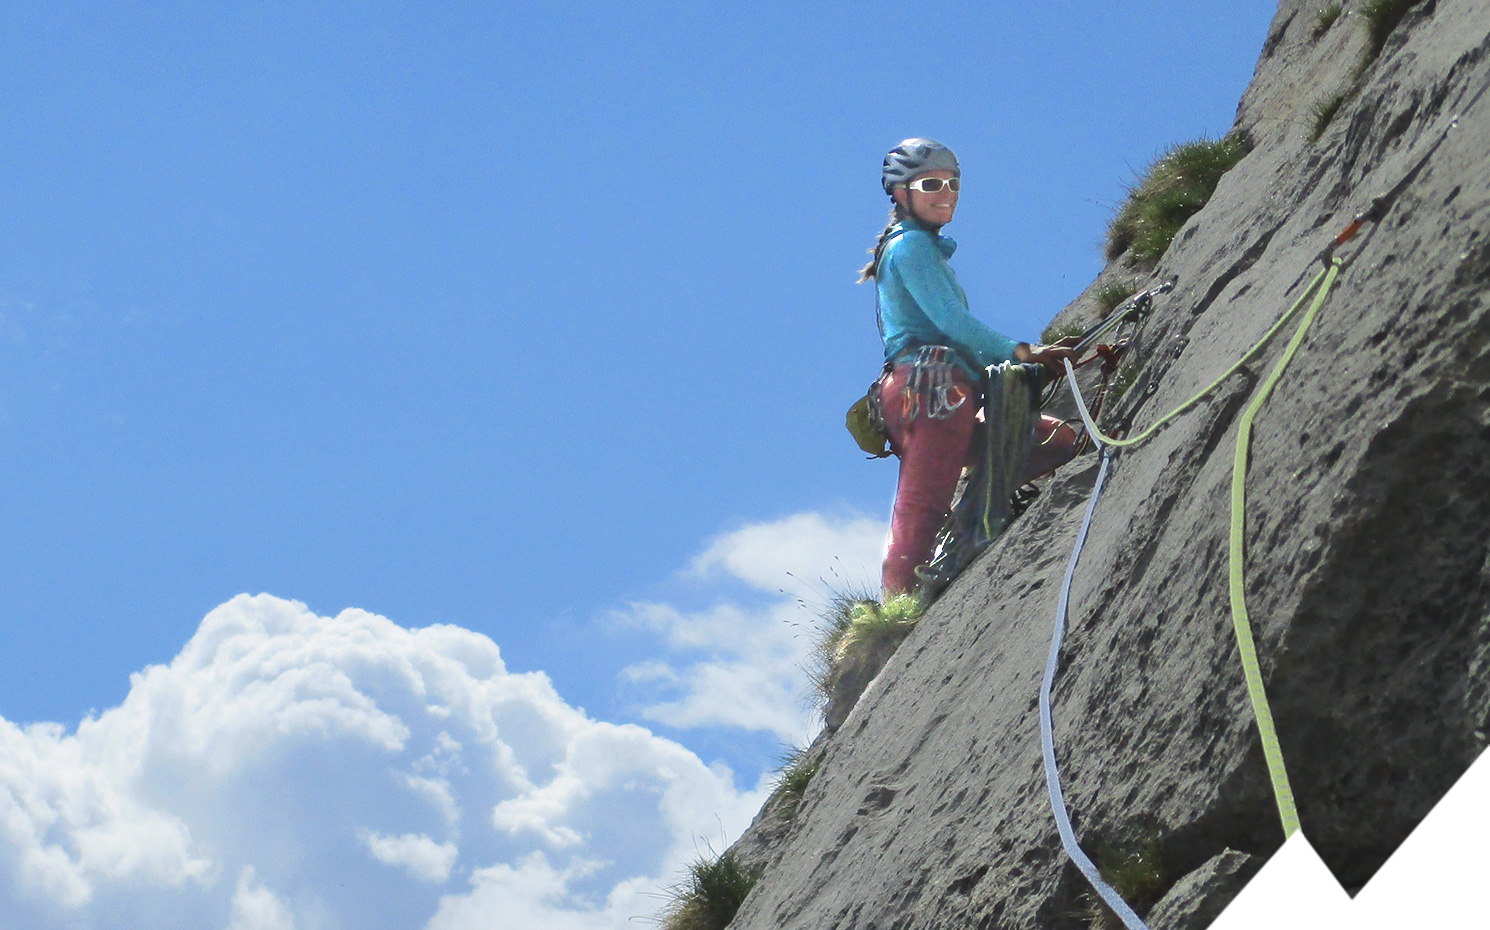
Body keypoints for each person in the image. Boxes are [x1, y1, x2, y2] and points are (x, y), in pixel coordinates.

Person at [861, 138, 1077, 597]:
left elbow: (957, 336)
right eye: (932, 183)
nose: (947, 192)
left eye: (954, 182)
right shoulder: (911, 248)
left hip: (946, 389)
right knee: (921, 505)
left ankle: (966, 526)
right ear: (901, 194)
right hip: (929, 390)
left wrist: (1026, 370)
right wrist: (1024, 354)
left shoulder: (920, 249)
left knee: (1058, 440)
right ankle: (896, 609)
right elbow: (952, 324)